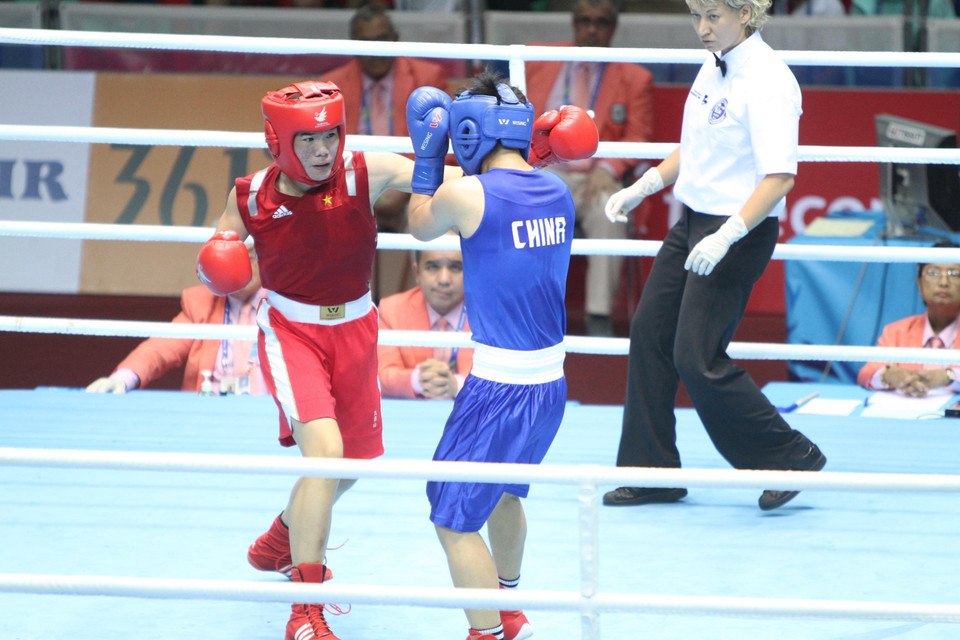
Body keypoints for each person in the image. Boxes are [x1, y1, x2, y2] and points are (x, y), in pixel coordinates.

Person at [197, 80, 458, 640]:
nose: (323, 149)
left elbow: (450, 185)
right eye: (309, 139)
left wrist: (517, 160)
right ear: (279, 140)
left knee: (354, 462)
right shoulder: (250, 195)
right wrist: (215, 260)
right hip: (292, 332)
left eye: (331, 135)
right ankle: (306, 611)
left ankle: (281, 537)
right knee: (327, 453)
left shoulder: (368, 171)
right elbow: (220, 246)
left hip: (359, 328)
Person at [601, 0, 826, 512]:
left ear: (746, 12)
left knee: (696, 357)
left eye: (713, 16)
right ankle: (651, 471)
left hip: (739, 230)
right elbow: (694, 146)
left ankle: (789, 457)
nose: (701, 28)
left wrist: (727, 235)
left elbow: (780, 177)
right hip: (692, 224)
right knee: (649, 333)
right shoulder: (714, 61)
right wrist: (644, 185)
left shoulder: (769, 80)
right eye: (696, 15)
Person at [405, 71, 598, 640]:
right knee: (506, 493)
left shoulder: (468, 194)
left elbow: (419, 225)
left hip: (498, 389)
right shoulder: (556, 190)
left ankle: (487, 632)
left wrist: (428, 153)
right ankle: (508, 607)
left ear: (470, 130)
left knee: (450, 514)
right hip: (550, 388)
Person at [523, 0, 655, 337]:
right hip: (545, 170)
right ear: (574, 23)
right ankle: (530, 312)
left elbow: (639, 135)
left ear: (613, 28)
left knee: (610, 211)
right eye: (585, 21)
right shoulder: (538, 60)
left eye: (600, 22)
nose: (592, 30)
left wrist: (608, 168)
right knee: (529, 201)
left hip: (596, 178)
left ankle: (599, 321)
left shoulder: (635, 78)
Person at [324, 3, 450, 234]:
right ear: (353, 45)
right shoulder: (332, 85)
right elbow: (325, 152)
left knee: (436, 213)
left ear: (395, 38)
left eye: (381, 39)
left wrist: (405, 191)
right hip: (352, 189)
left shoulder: (428, 77)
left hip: (415, 186)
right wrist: (364, 193)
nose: (374, 51)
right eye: (365, 43)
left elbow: (445, 146)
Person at [86, 246, 267, 395]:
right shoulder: (200, 303)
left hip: (269, 420)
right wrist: (122, 379)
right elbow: (160, 348)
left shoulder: (286, 305)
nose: (240, 267)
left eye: (250, 257)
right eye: (231, 259)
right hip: (205, 415)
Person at [857, 242, 960, 397]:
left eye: (954, 274)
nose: (943, 282)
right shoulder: (897, 331)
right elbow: (866, 373)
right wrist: (889, 374)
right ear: (918, 283)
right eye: (933, 273)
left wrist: (948, 377)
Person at [377, 247, 474, 399]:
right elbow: (382, 376)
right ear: (417, 273)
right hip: (411, 419)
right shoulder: (392, 309)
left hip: (472, 419)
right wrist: (418, 380)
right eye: (433, 267)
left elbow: (500, 379)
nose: (443, 279)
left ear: (470, 271)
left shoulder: (489, 314)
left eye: (455, 267)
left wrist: (458, 386)